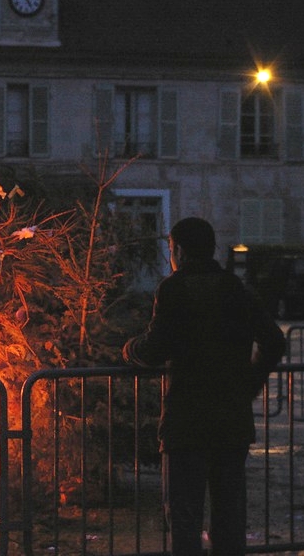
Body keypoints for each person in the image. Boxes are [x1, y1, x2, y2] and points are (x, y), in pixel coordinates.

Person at [122, 217, 285, 556]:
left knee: (183, 519)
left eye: (171, 250)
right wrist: (248, 385)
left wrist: (130, 348)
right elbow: (273, 340)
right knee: (229, 520)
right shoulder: (235, 288)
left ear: (178, 250)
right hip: (231, 421)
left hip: (186, 422)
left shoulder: (174, 288)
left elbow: (155, 349)